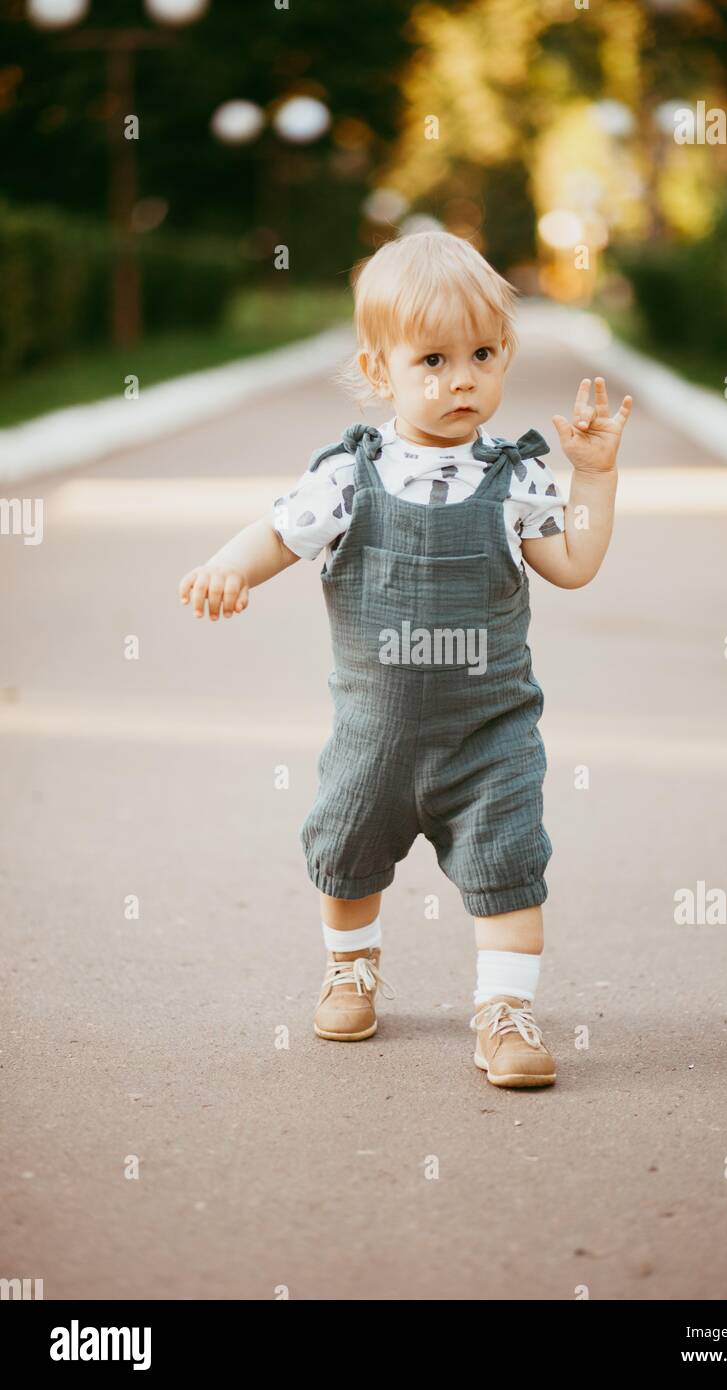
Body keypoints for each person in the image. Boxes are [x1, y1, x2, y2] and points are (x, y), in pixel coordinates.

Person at [178, 230, 632, 1088]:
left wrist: (594, 478)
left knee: (510, 867)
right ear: (380, 370)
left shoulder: (518, 479)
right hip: (373, 736)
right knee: (345, 854)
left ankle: (505, 1011)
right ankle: (351, 964)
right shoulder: (350, 478)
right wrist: (227, 569)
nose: (462, 378)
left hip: (490, 732)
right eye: (432, 358)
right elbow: (278, 535)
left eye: (483, 354)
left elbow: (573, 565)